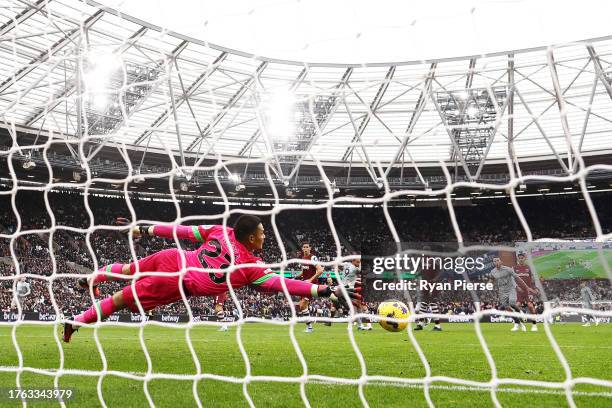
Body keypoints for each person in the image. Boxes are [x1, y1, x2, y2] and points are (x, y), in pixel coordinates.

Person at [63, 215, 360, 342]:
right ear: (250, 237)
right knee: (121, 299)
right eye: (261, 233)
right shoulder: (251, 266)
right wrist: (323, 290)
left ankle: (95, 276)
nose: (265, 236)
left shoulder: (220, 230)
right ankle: (76, 321)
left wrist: (147, 229)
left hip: (174, 257)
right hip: (179, 281)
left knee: (129, 269)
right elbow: (282, 284)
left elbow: (181, 232)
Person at [489, 256, 537, 332]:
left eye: (497, 260)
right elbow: (492, 279)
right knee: (509, 307)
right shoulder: (495, 271)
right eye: (494, 261)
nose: (496, 262)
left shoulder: (512, 269)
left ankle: (534, 325)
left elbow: (526, 279)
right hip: (507, 290)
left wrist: (531, 288)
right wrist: (489, 284)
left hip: (519, 289)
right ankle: (518, 323)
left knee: (529, 306)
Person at [294, 242, 323, 333]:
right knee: (301, 306)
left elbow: (320, 270)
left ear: (310, 248)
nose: (305, 248)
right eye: (304, 247)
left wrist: (310, 280)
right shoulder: (303, 259)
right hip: (304, 284)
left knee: (302, 305)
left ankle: (309, 327)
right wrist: (295, 278)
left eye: (307, 247)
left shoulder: (312, 258)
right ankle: (317, 310)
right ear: (302, 249)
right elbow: (304, 272)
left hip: (311, 285)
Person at [340, 255, 371, 330]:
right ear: (353, 261)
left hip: (343, 288)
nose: (358, 263)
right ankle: (350, 326)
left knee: (357, 306)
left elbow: (340, 264)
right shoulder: (354, 269)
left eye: (359, 262)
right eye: (357, 262)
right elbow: (363, 271)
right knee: (354, 308)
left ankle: (360, 325)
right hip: (349, 290)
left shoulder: (347, 264)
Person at [513, 252, 540, 331]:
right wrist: (516, 287)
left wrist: (536, 288)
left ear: (525, 258)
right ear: (518, 259)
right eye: (519, 258)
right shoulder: (514, 268)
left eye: (522, 258)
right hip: (519, 291)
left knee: (531, 306)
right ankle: (517, 324)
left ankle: (534, 325)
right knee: (516, 307)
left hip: (528, 290)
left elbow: (534, 279)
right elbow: (512, 280)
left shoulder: (529, 268)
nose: (521, 259)